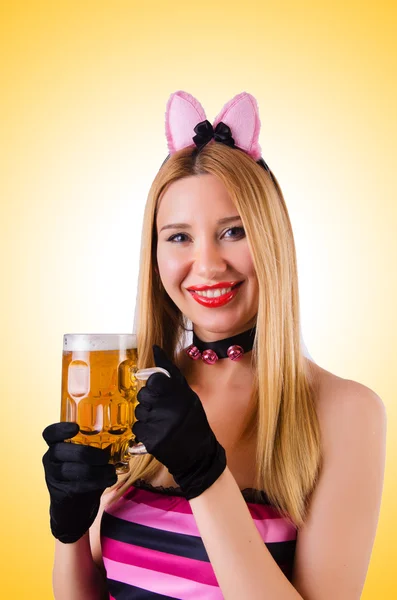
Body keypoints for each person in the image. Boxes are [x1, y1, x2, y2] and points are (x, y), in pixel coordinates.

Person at [42, 91, 387, 600]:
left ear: (273, 240)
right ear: (155, 252)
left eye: (232, 231)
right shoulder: (134, 391)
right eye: (179, 237)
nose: (206, 265)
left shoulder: (345, 412)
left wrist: (206, 474)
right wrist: (69, 533)